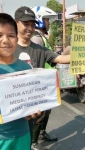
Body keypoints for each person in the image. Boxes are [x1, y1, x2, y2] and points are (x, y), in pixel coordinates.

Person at [14, 6, 85, 150]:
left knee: (26, 137)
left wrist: (82, 54)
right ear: (16, 23)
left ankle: (32, 142)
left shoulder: (40, 50)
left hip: (32, 106)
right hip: (13, 105)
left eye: (32, 25)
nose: (30, 28)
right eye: (26, 24)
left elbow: (61, 58)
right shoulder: (7, 49)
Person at [0, 13, 41, 150]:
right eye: (0, 35)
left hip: (22, 135)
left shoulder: (25, 68)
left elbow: (28, 102)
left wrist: (31, 112)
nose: (5, 40)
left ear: (16, 39)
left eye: (11, 35)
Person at [30, 6, 58, 143]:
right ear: (40, 19)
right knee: (40, 113)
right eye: (47, 19)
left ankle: (41, 133)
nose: (49, 23)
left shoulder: (42, 37)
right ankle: (33, 142)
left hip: (47, 81)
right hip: (40, 82)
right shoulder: (36, 39)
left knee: (47, 111)